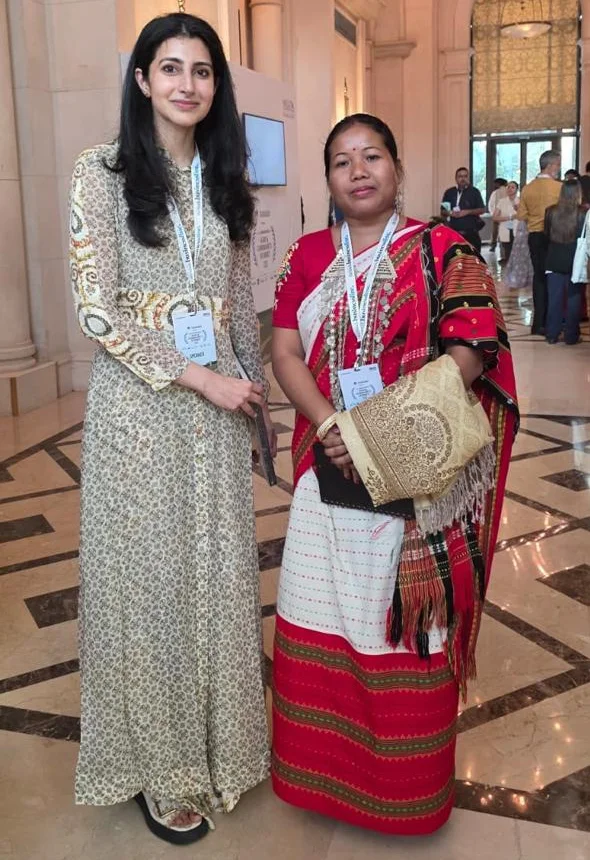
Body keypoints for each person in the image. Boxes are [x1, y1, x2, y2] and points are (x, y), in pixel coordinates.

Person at [271, 113, 518, 836]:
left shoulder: (443, 250)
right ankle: (326, 782)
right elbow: (285, 352)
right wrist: (333, 426)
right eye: (341, 160)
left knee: (406, 636)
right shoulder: (308, 254)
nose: (358, 171)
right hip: (327, 472)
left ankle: (406, 796)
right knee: (321, 621)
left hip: (417, 484)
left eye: (371, 155)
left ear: (397, 169)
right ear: (328, 180)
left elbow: (471, 353)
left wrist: (378, 437)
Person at [69, 13, 274, 846]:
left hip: (218, 414)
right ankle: (159, 769)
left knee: (217, 580)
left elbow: (237, 303)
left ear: (216, 86)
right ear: (144, 80)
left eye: (202, 70)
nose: (187, 84)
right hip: (141, 411)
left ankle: (222, 749)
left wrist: (254, 398)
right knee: (149, 588)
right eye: (171, 67)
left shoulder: (225, 178)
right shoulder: (102, 172)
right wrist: (203, 379)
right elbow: (96, 309)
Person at [517, 150, 562, 334]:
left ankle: (538, 323)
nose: (559, 168)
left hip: (535, 236)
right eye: (558, 165)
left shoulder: (528, 188)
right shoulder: (559, 188)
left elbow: (521, 215)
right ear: (550, 166)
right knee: (555, 278)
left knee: (539, 278)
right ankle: (553, 322)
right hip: (555, 236)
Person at [544, 179, 586, 344]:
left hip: (554, 257)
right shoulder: (582, 213)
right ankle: (571, 335)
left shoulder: (550, 211)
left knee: (554, 298)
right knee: (574, 299)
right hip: (575, 259)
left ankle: (552, 334)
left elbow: (546, 234)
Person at [441, 167, 486, 253]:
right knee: (454, 259)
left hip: (471, 234)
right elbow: (443, 211)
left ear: (468, 177)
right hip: (453, 233)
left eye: (465, 176)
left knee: (473, 258)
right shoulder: (449, 192)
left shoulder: (475, 192)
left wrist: (468, 212)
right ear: (456, 178)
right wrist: (450, 213)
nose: (463, 179)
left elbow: (482, 209)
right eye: (460, 176)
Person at [493, 180, 519, 263]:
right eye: (508, 187)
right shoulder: (502, 201)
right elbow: (495, 217)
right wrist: (510, 217)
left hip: (518, 230)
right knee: (508, 252)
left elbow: (524, 216)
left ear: (517, 190)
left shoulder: (521, 201)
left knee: (517, 253)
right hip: (505, 229)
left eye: (512, 187)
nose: (510, 189)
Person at [488, 177, 508, 253]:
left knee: (495, 232)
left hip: (496, 215)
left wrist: (493, 214)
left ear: (498, 184)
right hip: (506, 216)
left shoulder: (495, 192)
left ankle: (493, 245)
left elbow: (491, 204)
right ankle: (503, 248)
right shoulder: (508, 191)